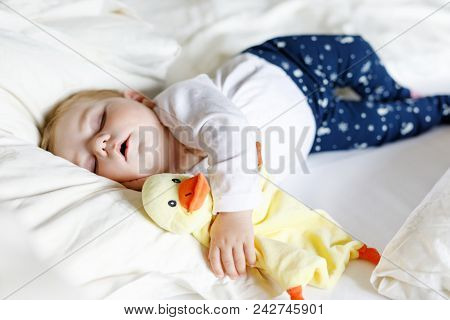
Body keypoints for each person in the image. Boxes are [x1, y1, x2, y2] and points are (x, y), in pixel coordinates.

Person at [40, 35, 450, 281]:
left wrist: (234, 215)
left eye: (99, 120)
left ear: (138, 99)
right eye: (92, 164)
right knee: (389, 127)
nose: (101, 145)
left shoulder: (178, 103)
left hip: (289, 64)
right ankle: (436, 107)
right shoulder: (181, 191)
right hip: (315, 128)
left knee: (355, 53)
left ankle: (391, 90)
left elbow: (230, 132)